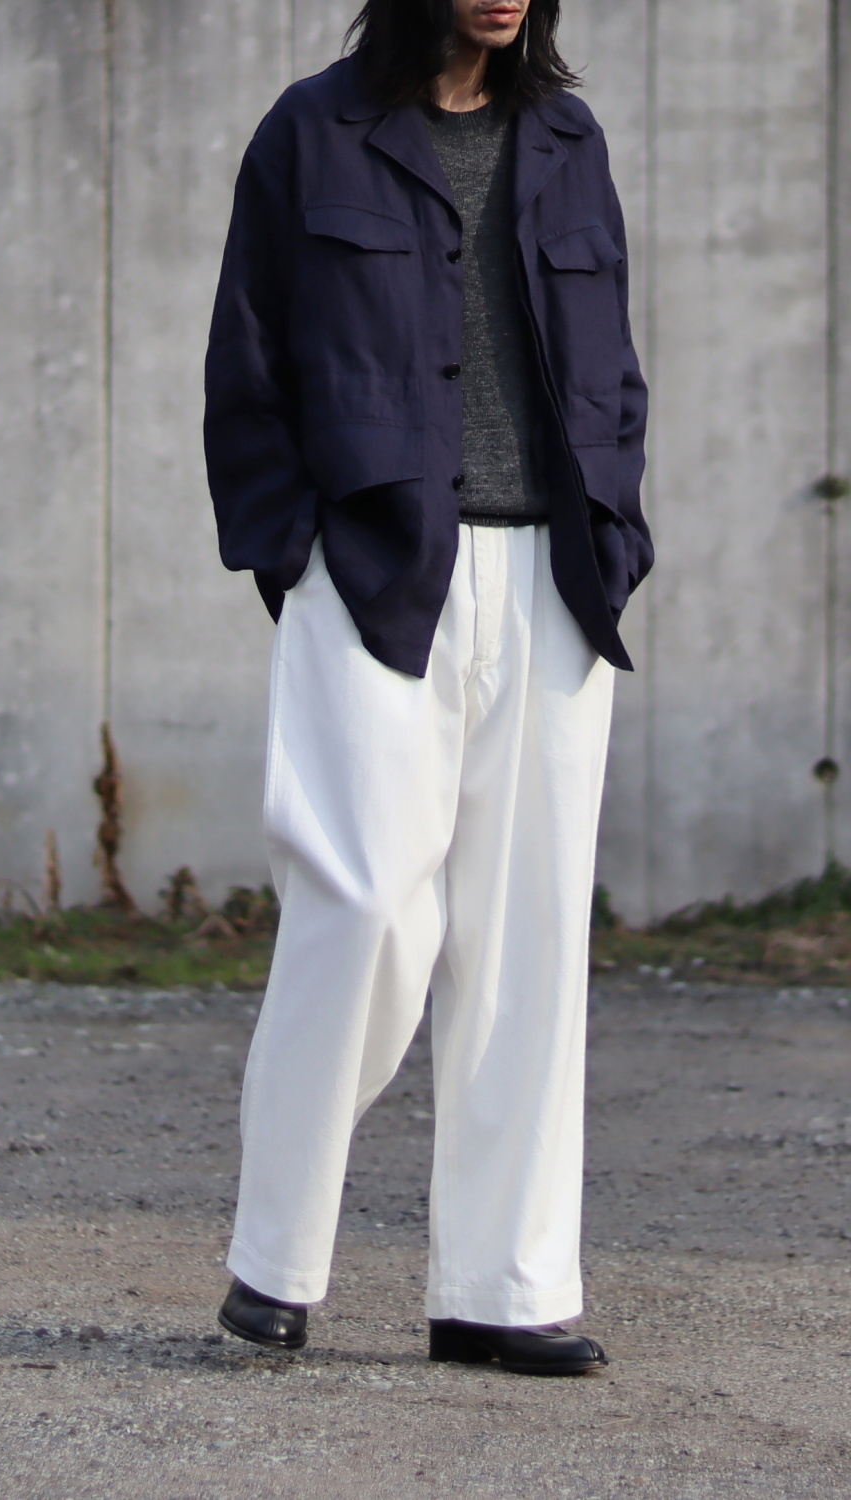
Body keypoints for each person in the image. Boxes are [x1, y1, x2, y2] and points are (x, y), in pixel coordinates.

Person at [203, 0, 652, 1377]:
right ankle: (275, 1257)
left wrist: (619, 530)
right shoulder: (313, 132)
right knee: (366, 909)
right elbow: (246, 359)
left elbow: (612, 363)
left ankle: (503, 1290)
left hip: (553, 579)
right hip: (377, 568)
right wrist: (292, 550)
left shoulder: (567, 139)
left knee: (527, 945)